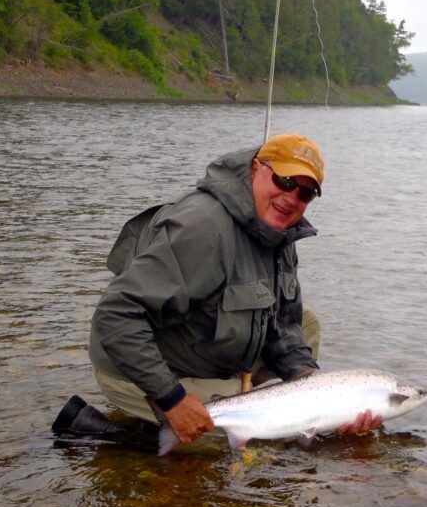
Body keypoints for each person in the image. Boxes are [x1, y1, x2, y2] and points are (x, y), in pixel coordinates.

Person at [53, 133, 380, 445]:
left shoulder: (280, 232)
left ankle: (231, 409)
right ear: (256, 169)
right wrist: (173, 399)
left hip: (205, 346)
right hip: (136, 366)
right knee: (258, 442)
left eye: (305, 193)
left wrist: (316, 394)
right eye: (284, 181)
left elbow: (284, 325)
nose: (291, 197)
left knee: (306, 324)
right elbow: (115, 316)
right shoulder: (203, 228)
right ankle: (100, 433)